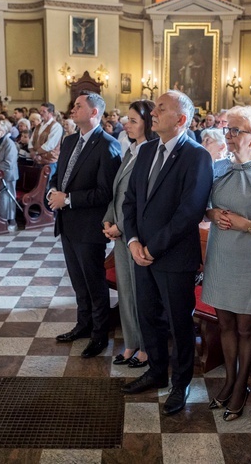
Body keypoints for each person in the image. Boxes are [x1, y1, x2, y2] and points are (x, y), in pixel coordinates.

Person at [120, 90, 213, 416]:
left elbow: (189, 212)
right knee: (148, 317)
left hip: (173, 258)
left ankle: (181, 382)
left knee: (178, 324)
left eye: (161, 108)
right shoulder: (145, 151)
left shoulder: (197, 156)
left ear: (182, 119)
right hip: (141, 254)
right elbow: (129, 202)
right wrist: (132, 242)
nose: (153, 112)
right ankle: (157, 371)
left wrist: (151, 247)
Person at [203, 106, 251, 421]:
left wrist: (244, 224)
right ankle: (229, 380)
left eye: (237, 131)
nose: (230, 136)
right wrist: (213, 214)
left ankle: (241, 385)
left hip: (250, 258)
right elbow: (205, 206)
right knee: (225, 325)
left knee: (246, 328)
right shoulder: (219, 167)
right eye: (228, 129)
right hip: (220, 255)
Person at [48, 91, 121, 359]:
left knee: (94, 283)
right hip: (67, 224)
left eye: (79, 106)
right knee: (78, 282)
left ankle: (100, 335)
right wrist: (52, 193)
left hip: (89, 227)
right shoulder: (69, 142)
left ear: (94, 113)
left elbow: (105, 193)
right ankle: (83, 324)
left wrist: (67, 199)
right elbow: (59, 176)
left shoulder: (108, 145)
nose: (72, 109)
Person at [103, 100, 157, 369]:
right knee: (125, 291)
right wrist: (108, 220)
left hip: (137, 235)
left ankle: (146, 348)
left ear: (148, 123)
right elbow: (119, 192)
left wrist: (121, 226)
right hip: (121, 233)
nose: (127, 124)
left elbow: (141, 200)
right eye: (128, 119)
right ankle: (131, 343)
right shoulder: (132, 150)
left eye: (134, 120)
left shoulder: (152, 153)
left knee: (140, 293)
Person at [31, 102, 63, 169]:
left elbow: (50, 145)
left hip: (49, 162)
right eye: (40, 111)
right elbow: (31, 141)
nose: (41, 113)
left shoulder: (56, 126)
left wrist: (36, 153)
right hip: (37, 161)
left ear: (50, 113)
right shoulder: (38, 126)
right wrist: (32, 152)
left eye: (44, 111)